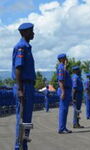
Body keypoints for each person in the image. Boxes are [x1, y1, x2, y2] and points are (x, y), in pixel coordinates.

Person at [12, 22, 36, 150]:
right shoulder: (21, 47)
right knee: (21, 119)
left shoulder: (27, 47)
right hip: (24, 87)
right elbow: (18, 70)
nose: (33, 33)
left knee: (27, 119)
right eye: (31, 31)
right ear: (25, 33)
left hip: (28, 86)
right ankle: (18, 146)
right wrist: (20, 89)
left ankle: (23, 145)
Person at [57, 53, 72, 134]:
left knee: (65, 110)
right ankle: (61, 128)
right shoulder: (61, 68)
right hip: (64, 90)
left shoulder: (63, 67)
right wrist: (63, 92)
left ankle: (63, 127)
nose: (67, 59)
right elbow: (61, 80)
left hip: (66, 90)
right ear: (62, 59)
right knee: (63, 109)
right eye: (66, 58)